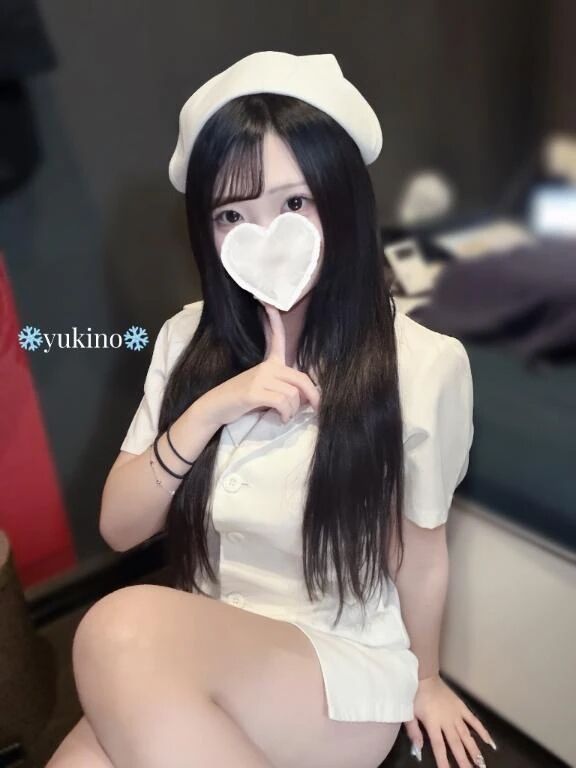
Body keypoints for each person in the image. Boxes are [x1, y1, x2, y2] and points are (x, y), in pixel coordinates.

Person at [47, 52, 495, 768]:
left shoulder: (422, 364)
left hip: (334, 668)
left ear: (342, 201)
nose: (265, 234)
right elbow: (121, 526)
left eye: (293, 204)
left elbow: (421, 552)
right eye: (232, 214)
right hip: (199, 641)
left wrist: (428, 679)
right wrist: (214, 407)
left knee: (116, 627)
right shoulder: (186, 339)